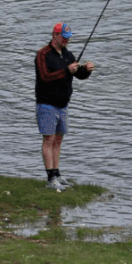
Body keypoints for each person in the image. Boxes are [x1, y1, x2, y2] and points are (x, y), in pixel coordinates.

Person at [34, 22, 94, 190]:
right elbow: (45, 77)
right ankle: (50, 178)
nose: (67, 40)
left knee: (58, 140)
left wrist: (86, 70)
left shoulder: (68, 54)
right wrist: (67, 71)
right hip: (46, 104)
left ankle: (57, 174)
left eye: (68, 38)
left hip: (63, 105)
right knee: (49, 139)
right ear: (55, 35)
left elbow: (78, 74)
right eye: (64, 37)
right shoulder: (42, 54)